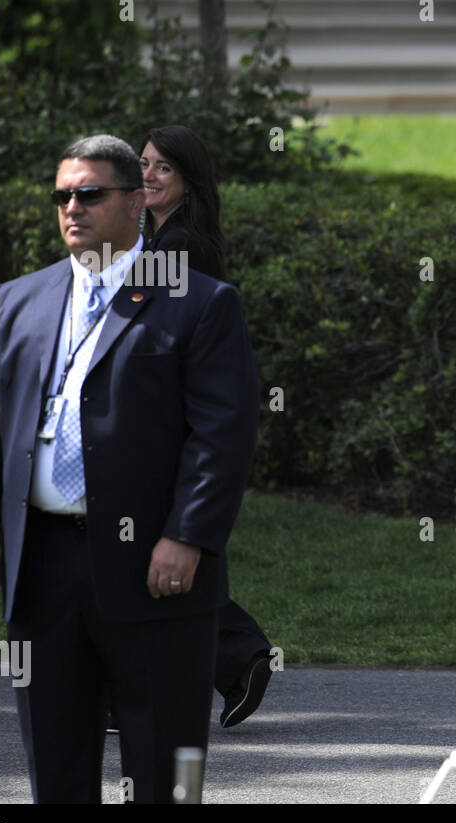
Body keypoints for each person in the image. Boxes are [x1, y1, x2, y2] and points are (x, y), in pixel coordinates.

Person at [0, 134, 260, 802]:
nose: (72, 208)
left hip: (152, 565)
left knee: (160, 774)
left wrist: (188, 535)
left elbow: (222, 435)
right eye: (62, 194)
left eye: (89, 193)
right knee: (55, 768)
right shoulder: (18, 300)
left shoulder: (200, 302)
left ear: (137, 201)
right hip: (42, 565)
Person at [139, 124, 273, 727]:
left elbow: (151, 336)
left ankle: (237, 656)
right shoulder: (159, 238)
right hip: (160, 424)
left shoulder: (182, 248)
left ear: (187, 181)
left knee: (158, 556)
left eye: (162, 168)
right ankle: (235, 659)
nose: (147, 174)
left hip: (173, 425)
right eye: (142, 163)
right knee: (153, 558)